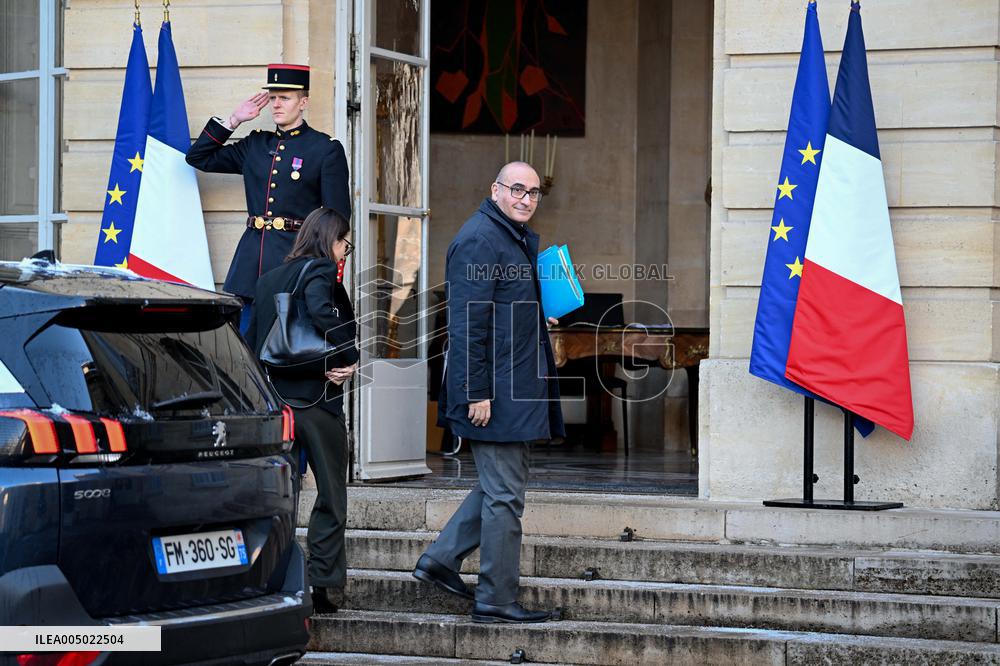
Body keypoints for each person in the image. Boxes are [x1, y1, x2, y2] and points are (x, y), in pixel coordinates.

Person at [413, 161, 565, 624]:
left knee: (500, 487)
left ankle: (440, 559)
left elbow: (498, 308)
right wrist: (475, 392)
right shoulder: (480, 239)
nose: (526, 199)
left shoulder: (507, 236)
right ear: (495, 189)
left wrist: (534, 315)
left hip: (512, 386)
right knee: (505, 498)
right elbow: (466, 325)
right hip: (493, 393)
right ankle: (496, 597)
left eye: (533, 192)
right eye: (517, 189)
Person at [245, 207, 359, 615]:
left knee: (280, 498)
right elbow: (320, 311)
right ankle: (321, 584)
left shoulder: (268, 279)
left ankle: (274, 578)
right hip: (317, 402)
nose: (345, 253)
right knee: (331, 494)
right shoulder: (322, 271)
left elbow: (252, 342)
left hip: (278, 404)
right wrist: (349, 355)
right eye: (345, 244)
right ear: (330, 239)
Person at [186, 64, 352, 332]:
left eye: (285, 98)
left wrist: (323, 269)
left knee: (287, 345)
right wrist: (233, 120)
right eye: (273, 97)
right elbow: (198, 158)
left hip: (294, 263)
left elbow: (337, 218)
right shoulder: (255, 144)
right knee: (245, 346)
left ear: (303, 102)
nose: (276, 104)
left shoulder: (324, 149)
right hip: (250, 266)